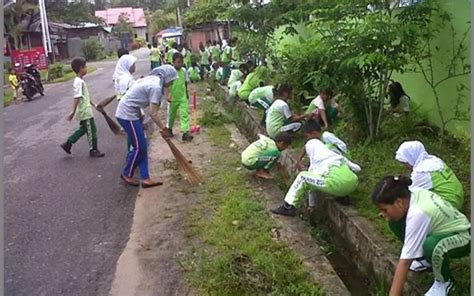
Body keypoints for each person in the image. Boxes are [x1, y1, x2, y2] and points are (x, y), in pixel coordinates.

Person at [371, 176, 470, 296]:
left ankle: (444, 282)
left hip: (463, 237)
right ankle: (424, 260)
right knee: (394, 221)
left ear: (399, 202)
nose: (382, 214)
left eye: (384, 209)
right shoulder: (411, 194)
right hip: (439, 232)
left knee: (431, 246)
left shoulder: (418, 214)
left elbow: (405, 263)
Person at [394, 140, 465, 273]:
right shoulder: (433, 161)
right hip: (456, 198)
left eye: (406, 162)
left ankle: (420, 255)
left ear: (412, 156)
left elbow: (408, 195)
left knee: (408, 213)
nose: (405, 166)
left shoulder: (422, 172)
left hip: (447, 203)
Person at [271, 120, 359, 217]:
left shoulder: (316, 163)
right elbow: (357, 168)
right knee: (336, 177)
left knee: (303, 177)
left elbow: (310, 187)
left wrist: (311, 205)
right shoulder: (336, 155)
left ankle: (287, 207)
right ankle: (343, 195)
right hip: (353, 183)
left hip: (337, 185)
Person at [115, 65, 177, 188]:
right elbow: (153, 113)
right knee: (139, 146)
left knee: (142, 146)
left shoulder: (152, 80)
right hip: (127, 115)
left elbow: (135, 99)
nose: (173, 82)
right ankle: (127, 174)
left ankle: (146, 178)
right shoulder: (155, 87)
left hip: (132, 113)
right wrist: (163, 128)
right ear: (167, 78)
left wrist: (141, 120)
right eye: (173, 80)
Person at [60, 57, 104, 158]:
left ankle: (68, 144)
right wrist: (73, 111)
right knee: (91, 131)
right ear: (80, 68)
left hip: (86, 109)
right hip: (85, 112)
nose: (86, 68)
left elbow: (85, 97)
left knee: (84, 129)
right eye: (85, 67)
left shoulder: (80, 81)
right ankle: (93, 150)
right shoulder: (78, 82)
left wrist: (94, 105)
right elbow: (77, 97)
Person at [166, 53, 193, 142]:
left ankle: (185, 132)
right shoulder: (170, 72)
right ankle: (169, 129)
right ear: (173, 62)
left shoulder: (184, 71)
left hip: (182, 97)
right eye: (178, 62)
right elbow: (166, 85)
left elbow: (185, 82)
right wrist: (167, 95)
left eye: (181, 62)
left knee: (184, 114)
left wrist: (187, 93)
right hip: (172, 98)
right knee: (171, 115)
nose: (180, 64)